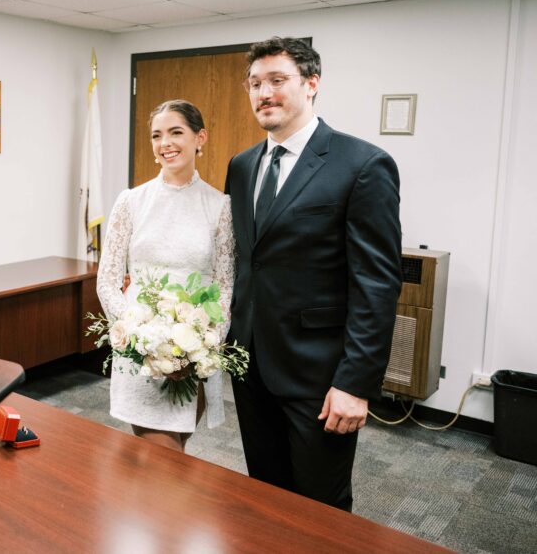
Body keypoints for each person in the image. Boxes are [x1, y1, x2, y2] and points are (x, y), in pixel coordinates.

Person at [224, 37, 402, 511]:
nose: (264, 93)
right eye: (256, 83)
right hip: (251, 365)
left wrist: (355, 384)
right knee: (265, 493)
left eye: (277, 81)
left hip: (320, 377)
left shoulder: (362, 165)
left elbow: (377, 284)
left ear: (311, 84)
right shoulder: (241, 167)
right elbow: (249, 263)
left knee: (320, 507)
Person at [97, 100, 235, 452]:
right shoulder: (131, 201)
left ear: (199, 138)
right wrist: (139, 337)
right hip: (142, 355)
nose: (165, 143)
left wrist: (203, 347)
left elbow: (224, 286)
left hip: (194, 356)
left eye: (176, 132)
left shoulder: (220, 207)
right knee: (162, 458)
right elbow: (108, 280)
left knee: (170, 462)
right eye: (157, 135)